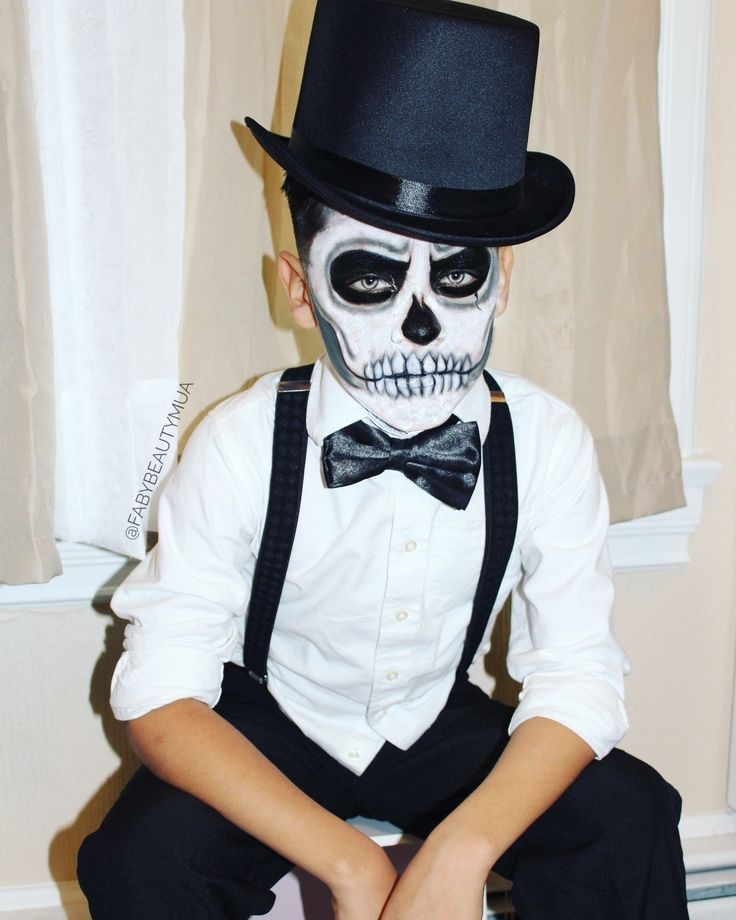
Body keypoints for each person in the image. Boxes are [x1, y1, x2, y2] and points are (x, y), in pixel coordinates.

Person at [77, 1, 689, 917]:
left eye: (457, 273)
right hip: (272, 718)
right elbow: (162, 694)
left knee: (627, 812)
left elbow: (579, 674)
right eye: (370, 275)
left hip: (433, 721)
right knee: (141, 857)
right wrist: (354, 865)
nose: (419, 321)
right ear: (298, 289)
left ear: (503, 281)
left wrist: (458, 853)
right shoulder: (242, 439)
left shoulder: (547, 439)